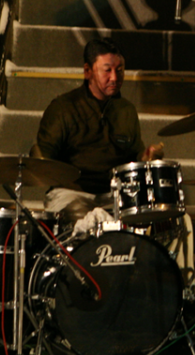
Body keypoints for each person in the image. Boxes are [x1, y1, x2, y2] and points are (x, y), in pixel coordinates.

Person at [35, 38, 164, 221]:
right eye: (107, 70)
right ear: (88, 71)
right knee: (86, 218)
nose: (115, 78)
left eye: (119, 70)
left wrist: (146, 156)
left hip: (113, 194)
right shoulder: (63, 107)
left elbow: (134, 157)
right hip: (70, 193)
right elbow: (42, 160)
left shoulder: (126, 110)